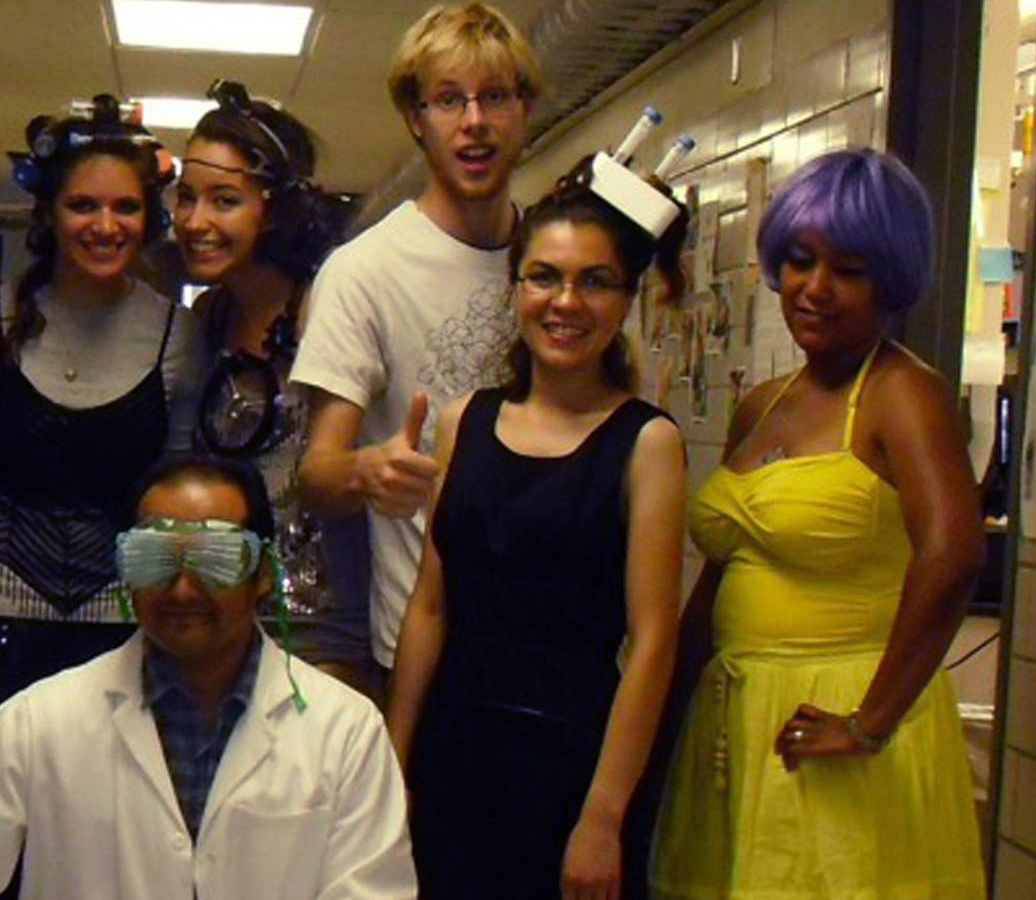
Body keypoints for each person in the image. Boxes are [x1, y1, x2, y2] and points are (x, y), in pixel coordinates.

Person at [651, 149, 986, 899]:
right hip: (735, 720)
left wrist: (869, 723)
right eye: (800, 261)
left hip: (835, 727)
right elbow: (726, 572)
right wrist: (662, 714)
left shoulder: (904, 394)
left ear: (891, 280)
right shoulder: (764, 400)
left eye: (851, 269)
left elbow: (953, 554)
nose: (816, 288)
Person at [0, 455, 416, 900]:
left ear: (263, 574)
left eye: (215, 557)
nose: (181, 588)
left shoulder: (343, 730)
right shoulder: (45, 721)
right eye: (155, 558)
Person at [385, 155, 689, 900]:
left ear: (625, 301)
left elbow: (653, 641)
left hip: (572, 763)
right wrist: (393, 760)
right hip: (454, 749)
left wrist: (603, 816)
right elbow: (430, 604)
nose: (566, 302)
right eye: (545, 277)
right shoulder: (465, 421)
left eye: (595, 281)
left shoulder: (646, 442)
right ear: (516, 288)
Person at [293, 1, 541, 676]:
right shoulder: (364, 270)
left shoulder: (555, 266)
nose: (475, 122)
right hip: (421, 648)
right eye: (447, 100)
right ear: (415, 119)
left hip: (549, 638)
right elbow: (316, 471)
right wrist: (366, 470)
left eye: (495, 97)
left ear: (525, 110)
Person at [0, 95, 202, 741]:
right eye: (83, 205)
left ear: (148, 218)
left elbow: (173, 495)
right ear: (49, 214)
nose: (105, 225)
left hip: (123, 624)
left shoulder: (181, 332)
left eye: (125, 207)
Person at [172, 80, 374, 693]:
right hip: (216, 626)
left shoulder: (330, 310)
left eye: (224, 201)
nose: (194, 221)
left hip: (320, 639)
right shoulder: (206, 317)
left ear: (277, 210)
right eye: (185, 198)